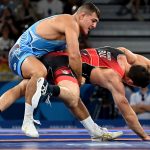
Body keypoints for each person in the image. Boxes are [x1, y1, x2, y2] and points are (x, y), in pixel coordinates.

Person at [1, 46, 150, 140]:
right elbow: (128, 114)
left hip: (55, 56)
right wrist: (144, 135)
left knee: (22, 88)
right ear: (130, 82)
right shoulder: (114, 78)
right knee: (72, 98)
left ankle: (94, 131)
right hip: (63, 64)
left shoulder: (125, 53)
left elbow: (147, 62)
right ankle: (48, 89)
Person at [8, 2, 100, 137]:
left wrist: (74, 79)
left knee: (70, 94)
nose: (94, 26)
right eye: (93, 21)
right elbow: (75, 56)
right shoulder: (71, 23)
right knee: (39, 72)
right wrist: (79, 78)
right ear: (82, 16)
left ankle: (94, 130)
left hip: (34, 57)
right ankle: (27, 121)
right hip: (20, 53)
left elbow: (68, 55)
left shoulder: (69, 26)